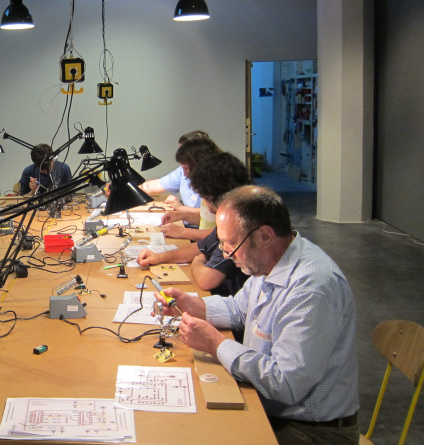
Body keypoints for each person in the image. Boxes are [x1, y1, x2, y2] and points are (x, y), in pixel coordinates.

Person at [156, 186, 359, 444]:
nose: (226, 253)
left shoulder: (311, 290)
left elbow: (286, 383)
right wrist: (192, 305)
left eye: (231, 244)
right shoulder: (273, 262)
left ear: (264, 236)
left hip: (311, 429)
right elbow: (240, 308)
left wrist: (216, 344)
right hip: (275, 407)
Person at [138, 152, 250, 297]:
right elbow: (199, 247)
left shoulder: (236, 225)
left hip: (231, 301)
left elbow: (206, 280)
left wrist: (198, 260)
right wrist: (158, 257)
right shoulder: (235, 213)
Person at [154, 136, 222, 240]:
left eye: (187, 168)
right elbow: (207, 219)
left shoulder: (219, 187)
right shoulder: (207, 184)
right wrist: (182, 215)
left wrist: (182, 231)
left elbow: (220, 236)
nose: (185, 175)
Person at [139, 130, 209, 208]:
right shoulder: (181, 171)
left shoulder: (214, 178)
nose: (185, 174)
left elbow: (208, 215)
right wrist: (130, 190)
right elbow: (157, 185)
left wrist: (180, 208)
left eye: (184, 153)